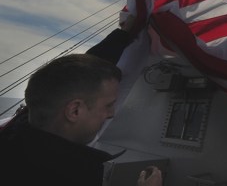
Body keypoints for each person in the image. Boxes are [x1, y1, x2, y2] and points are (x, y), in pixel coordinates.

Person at [0, 24, 163, 186]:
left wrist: (123, 35)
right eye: (108, 105)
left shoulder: (15, 133)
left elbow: (72, 74)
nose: (111, 113)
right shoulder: (73, 175)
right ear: (74, 110)